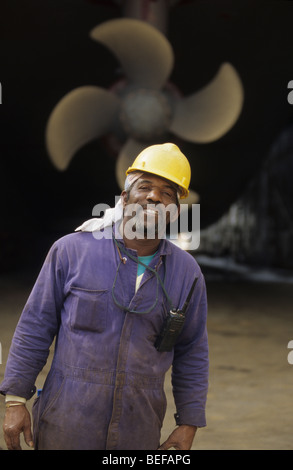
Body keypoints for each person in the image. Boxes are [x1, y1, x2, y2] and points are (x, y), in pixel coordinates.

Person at [0, 143, 209, 450]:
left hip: (138, 430)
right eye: (145, 187)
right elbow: (35, 325)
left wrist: (188, 423)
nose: (154, 197)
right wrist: (15, 400)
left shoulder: (187, 273)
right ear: (124, 199)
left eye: (167, 192)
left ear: (175, 210)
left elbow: (192, 351)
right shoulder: (71, 251)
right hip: (66, 425)